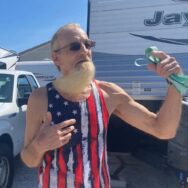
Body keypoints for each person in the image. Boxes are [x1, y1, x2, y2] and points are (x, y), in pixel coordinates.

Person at [20, 23, 182, 188]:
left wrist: (174, 83)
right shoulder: (40, 98)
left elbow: (162, 129)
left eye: (88, 44)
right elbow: (29, 160)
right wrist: (40, 144)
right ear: (56, 58)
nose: (85, 50)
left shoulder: (108, 93)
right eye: (75, 46)